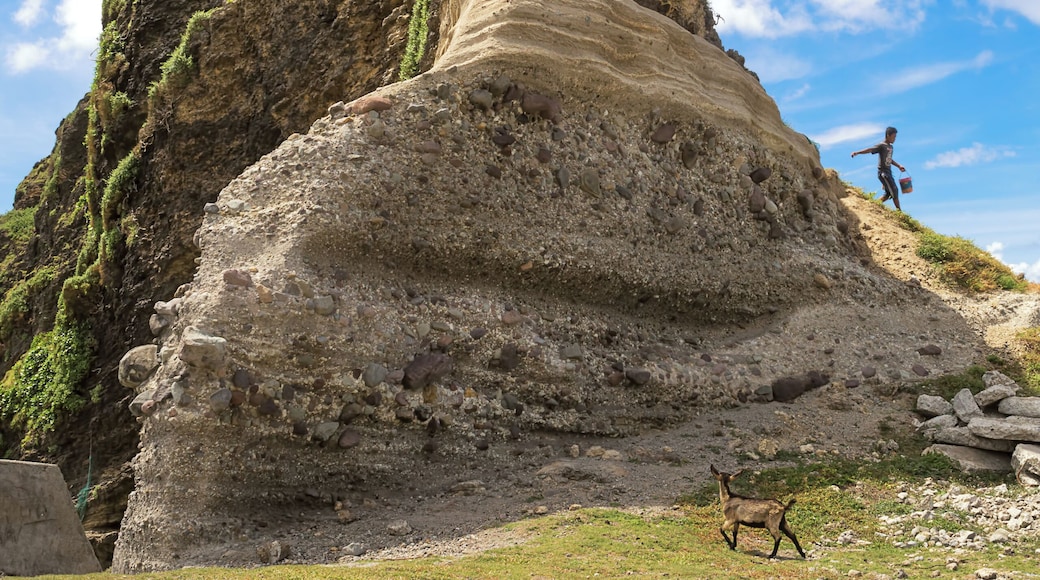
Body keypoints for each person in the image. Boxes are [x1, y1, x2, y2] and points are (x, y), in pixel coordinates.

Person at [851, 127, 906, 210]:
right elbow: (870, 149)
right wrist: (857, 152)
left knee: (888, 194)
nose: (895, 139)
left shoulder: (891, 147)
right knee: (895, 190)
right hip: (883, 173)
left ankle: (873, 205)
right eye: (893, 137)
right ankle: (900, 212)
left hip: (889, 172)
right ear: (888, 135)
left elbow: (889, 159)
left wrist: (899, 166)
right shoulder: (881, 145)